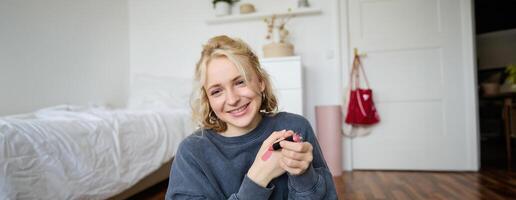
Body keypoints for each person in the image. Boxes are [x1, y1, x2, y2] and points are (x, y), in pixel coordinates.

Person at [165, 35, 338, 199]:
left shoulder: (295, 127)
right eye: (217, 91)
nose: (233, 99)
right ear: (207, 100)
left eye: (240, 82)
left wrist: (303, 174)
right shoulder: (191, 153)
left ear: (260, 81)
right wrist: (258, 177)